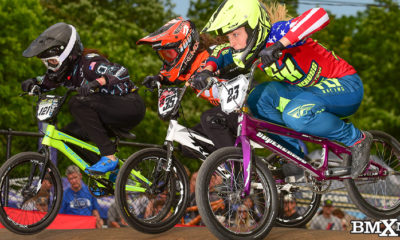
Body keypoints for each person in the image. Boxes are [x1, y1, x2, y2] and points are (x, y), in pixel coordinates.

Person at [193, 0, 372, 179]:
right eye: (229, 36)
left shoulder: (277, 33)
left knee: (295, 114)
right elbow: (221, 52)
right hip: (309, 93)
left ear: (253, 28)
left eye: (235, 34)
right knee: (258, 98)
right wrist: (207, 71)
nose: (232, 42)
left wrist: (280, 45)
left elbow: (320, 15)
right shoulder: (248, 50)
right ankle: (293, 156)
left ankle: (357, 139)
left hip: (345, 85)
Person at [21, 22, 146, 175]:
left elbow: (122, 72)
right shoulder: (66, 70)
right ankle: (108, 175)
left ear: (67, 55)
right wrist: (33, 83)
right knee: (66, 138)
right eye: (46, 63)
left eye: (52, 61)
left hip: (129, 105)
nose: (50, 67)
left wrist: (97, 82)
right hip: (106, 111)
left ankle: (109, 157)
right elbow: (47, 82)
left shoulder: (90, 63)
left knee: (77, 103)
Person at [137, 17, 246, 151]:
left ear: (185, 45)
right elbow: (171, 77)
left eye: (169, 54)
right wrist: (157, 78)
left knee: (209, 118)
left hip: (246, 106)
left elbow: (230, 54)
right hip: (229, 113)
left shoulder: (212, 53)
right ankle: (220, 167)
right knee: (187, 144)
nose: (167, 60)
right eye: (163, 55)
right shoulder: (189, 67)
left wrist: (216, 71)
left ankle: (238, 167)